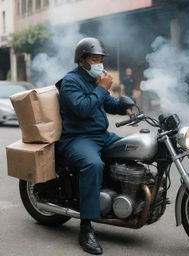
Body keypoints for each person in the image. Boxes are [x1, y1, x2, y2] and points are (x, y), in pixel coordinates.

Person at [56, 37, 132, 255]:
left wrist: (125, 105)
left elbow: (109, 104)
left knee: (133, 150)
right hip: (77, 138)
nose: (99, 63)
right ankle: (86, 227)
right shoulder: (70, 82)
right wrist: (102, 89)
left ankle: (120, 198)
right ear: (82, 61)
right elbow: (82, 109)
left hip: (101, 135)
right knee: (93, 165)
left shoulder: (94, 80)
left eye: (101, 59)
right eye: (95, 58)